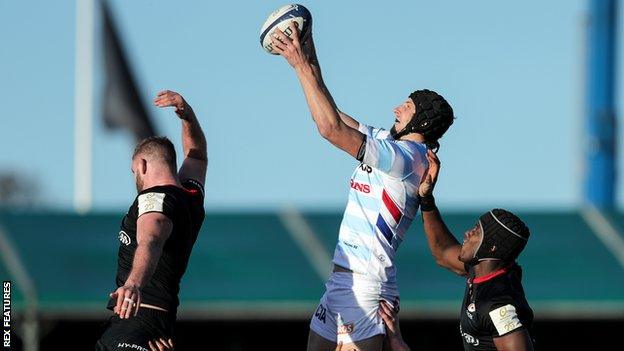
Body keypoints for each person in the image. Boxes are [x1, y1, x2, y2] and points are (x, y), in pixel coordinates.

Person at [270, 24, 454, 350]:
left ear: (422, 122)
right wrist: (308, 54)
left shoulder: (407, 158)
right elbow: (331, 115)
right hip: (341, 281)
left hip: (369, 287)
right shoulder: (389, 141)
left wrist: (299, 66)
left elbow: (330, 130)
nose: (396, 108)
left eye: (406, 106)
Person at [377, 151, 535, 351]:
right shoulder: (485, 270)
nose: (468, 233)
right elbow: (443, 252)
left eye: (477, 232)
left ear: (492, 248)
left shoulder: (498, 305)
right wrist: (426, 198)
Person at [96, 90, 207, 351]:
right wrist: (187, 116)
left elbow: (151, 239)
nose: (135, 176)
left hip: (136, 320)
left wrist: (133, 285)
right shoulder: (190, 195)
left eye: (134, 170)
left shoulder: (153, 199)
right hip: (158, 323)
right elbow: (197, 155)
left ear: (143, 165)